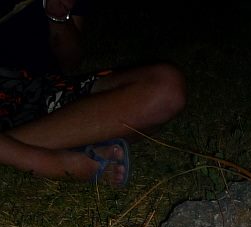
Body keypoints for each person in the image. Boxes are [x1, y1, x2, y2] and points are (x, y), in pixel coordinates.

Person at [0, 0, 185, 185]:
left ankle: (11, 151)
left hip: (43, 89)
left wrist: (56, 15)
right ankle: (50, 163)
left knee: (165, 89)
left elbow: (70, 62)